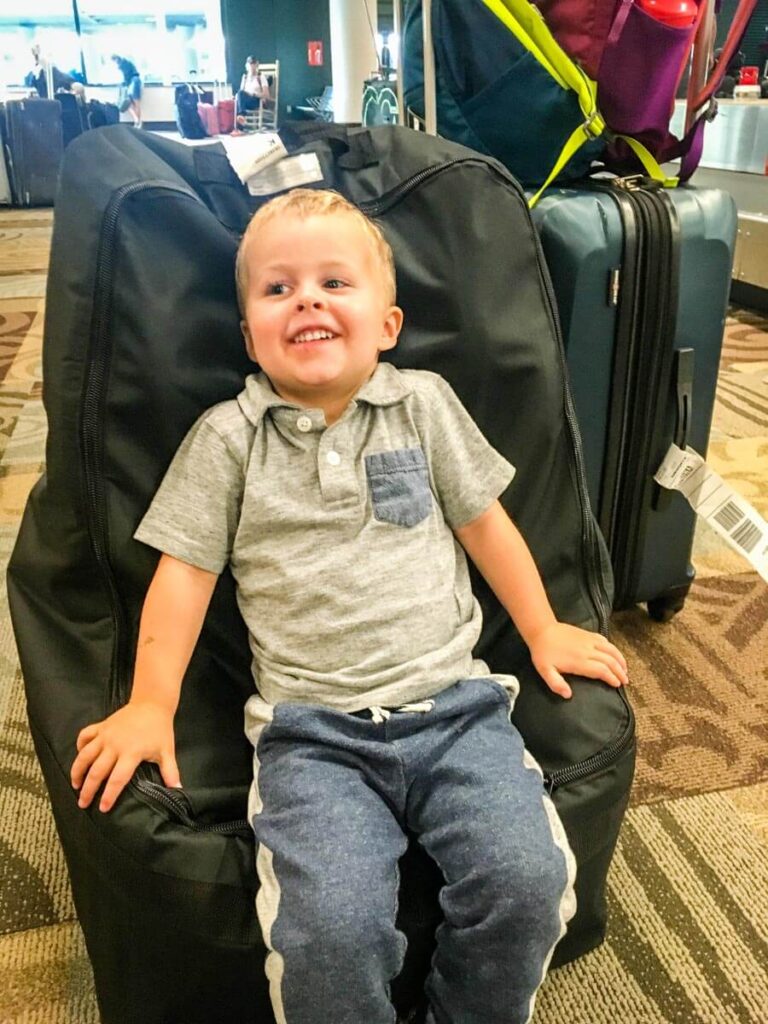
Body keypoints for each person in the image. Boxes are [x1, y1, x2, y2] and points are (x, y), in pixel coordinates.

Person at [70, 188, 628, 1024]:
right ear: (252, 332)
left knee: (529, 881)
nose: (307, 300)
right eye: (277, 289)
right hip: (313, 736)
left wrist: (543, 626)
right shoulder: (228, 440)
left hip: (458, 712)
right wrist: (151, 704)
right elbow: (181, 578)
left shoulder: (424, 405)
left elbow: (488, 526)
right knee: (328, 932)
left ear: (389, 324)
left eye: (336, 282)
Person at [235, 56, 269, 125]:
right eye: (250, 64)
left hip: (256, 100)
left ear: (257, 65)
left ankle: (241, 118)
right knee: (238, 95)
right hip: (245, 100)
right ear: (247, 65)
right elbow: (241, 92)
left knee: (240, 96)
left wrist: (254, 94)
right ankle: (240, 121)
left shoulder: (260, 77)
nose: (251, 66)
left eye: (253, 63)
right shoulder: (245, 77)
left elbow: (266, 94)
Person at [111, 54, 142, 128]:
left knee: (133, 103)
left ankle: (138, 121)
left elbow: (126, 77)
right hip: (135, 81)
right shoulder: (126, 62)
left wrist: (124, 84)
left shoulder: (123, 65)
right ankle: (137, 121)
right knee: (132, 103)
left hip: (133, 82)